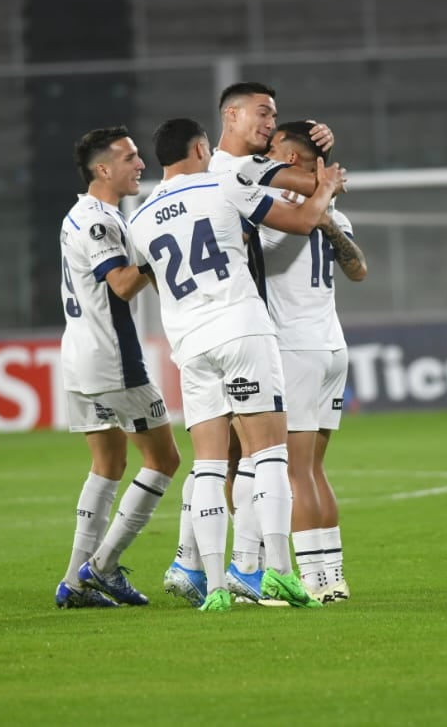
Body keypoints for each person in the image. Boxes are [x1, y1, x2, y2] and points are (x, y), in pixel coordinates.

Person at [128, 117, 342, 612]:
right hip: (242, 329)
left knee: (206, 464)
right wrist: (325, 188)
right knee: (267, 455)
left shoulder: (139, 217)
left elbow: (152, 278)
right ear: (202, 147)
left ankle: (217, 588)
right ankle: (279, 575)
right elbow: (302, 222)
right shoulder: (223, 184)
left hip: (190, 344)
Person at [54, 126, 182, 609]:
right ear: (103, 169)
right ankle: (102, 567)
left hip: (79, 357)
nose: (140, 163)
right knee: (165, 460)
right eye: (129, 157)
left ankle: (74, 582)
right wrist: (162, 250)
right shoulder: (100, 223)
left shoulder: (81, 214)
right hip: (112, 359)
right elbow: (123, 284)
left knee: (107, 465)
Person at [257, 123, 368, 603]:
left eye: (277, 150)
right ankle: (333, 578)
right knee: (315, 470)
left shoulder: (279, 215)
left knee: (293, 472)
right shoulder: (333, 215)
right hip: (332, 348)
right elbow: (358, 268)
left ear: (298, 163)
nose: (268, 155)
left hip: (296, 349)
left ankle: (312, 581)